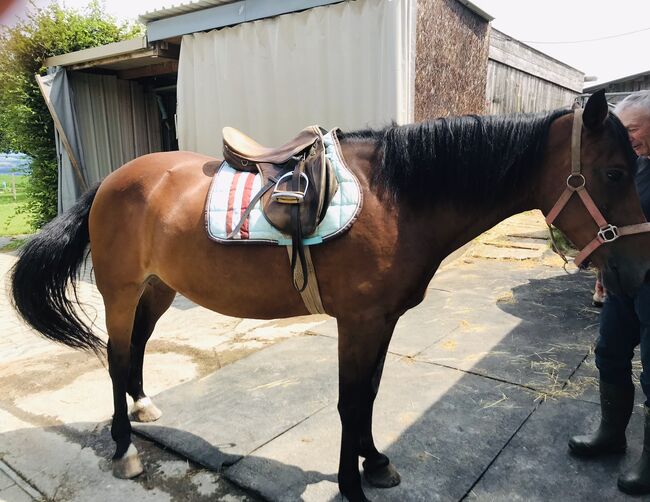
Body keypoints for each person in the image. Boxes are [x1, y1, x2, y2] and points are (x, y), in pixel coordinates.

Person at [569, 90, 650, 495]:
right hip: (623, 282)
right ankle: (611, 433)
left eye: (632, 129)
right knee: (609, 354)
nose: (627, 137)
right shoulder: (627, 166)